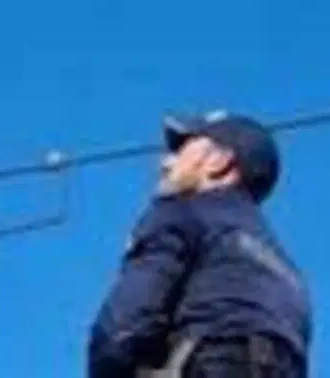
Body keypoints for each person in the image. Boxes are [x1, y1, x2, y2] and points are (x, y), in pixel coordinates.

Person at [87, 110, 313, 377]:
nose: (166, 163)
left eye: (183, 149)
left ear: (219, 162)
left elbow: (123, 327)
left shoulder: (183, 212)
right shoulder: (289, 273)